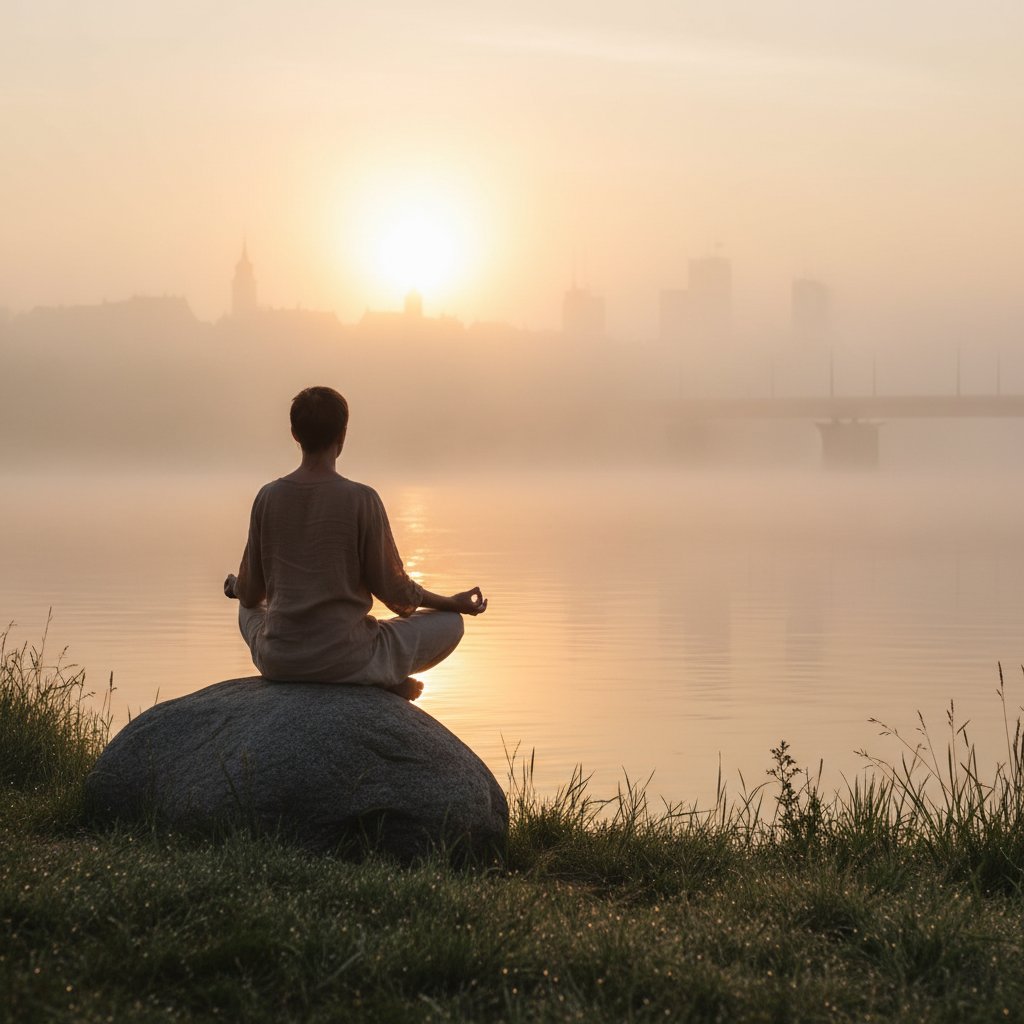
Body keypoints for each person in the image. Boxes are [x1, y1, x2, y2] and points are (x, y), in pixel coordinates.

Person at [224, 386, 487, 700]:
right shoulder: (362, 499)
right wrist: (451, 603)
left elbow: (252, 593)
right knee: (451, 624)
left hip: (281, 660)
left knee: (246, 609)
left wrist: (235, 586)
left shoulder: (268, 497)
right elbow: (396, 593)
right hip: (349, 660)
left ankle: (379, 675)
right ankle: (379, 676)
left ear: (294, 434)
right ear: (343, 435)